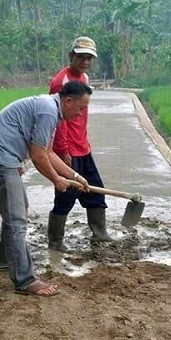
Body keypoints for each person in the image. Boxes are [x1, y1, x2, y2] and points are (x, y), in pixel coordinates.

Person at [0, 80, 92, 297]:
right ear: (67, 101)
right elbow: (38, 156)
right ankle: (24, 280)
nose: (80, 114)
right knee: (17, 218)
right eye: (80, 108)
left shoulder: (51, 110)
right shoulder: (48, 112)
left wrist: (75, 175)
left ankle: (5, 262)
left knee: (17, 210)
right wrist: (57, 180)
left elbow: (48, 153)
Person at [46, 36, 112, 252]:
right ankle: (55, 242)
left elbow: (80, 116)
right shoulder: (60, 82)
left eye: (89, 58)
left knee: (95, 191)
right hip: (67, 150)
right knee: (66, 195)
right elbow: (57, 119)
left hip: (83, 147)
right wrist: (64, 151)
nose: (85, 62)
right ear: (71, 56)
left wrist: (85, 142)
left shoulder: (83, 78)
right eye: (81, 57)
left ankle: (100, 235)